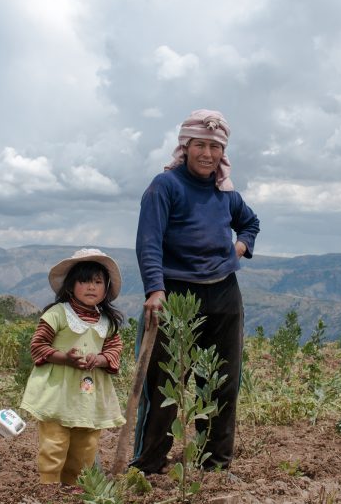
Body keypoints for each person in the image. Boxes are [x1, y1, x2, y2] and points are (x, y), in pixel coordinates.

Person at [131, 109, 260, 474]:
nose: (207, 154)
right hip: (175, 293)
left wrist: (241, 245)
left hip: (223, 294)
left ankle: (214, 464)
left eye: (215, 147)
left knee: (220, 381)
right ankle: (149, 463)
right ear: (184, 147)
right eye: (200, 145)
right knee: (164, 383)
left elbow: (250, 222)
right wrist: (155, 288)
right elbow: (149, 240)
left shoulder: (226, 193)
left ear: (223, 153)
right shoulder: (165, 186)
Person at [20, 248, 126, 486]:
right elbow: (38, 345)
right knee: (54, 443)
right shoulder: (58, 314)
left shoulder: (107, 322)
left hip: (89, 395)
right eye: (85, 281)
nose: (91, 287)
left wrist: (100, 360)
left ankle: (72, 488)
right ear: (70, 286)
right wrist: (64, 357)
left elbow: (114, 349)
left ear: (106, 288)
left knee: (86, 445)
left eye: (98, 282)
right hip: (58, 392)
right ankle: (48, 487)